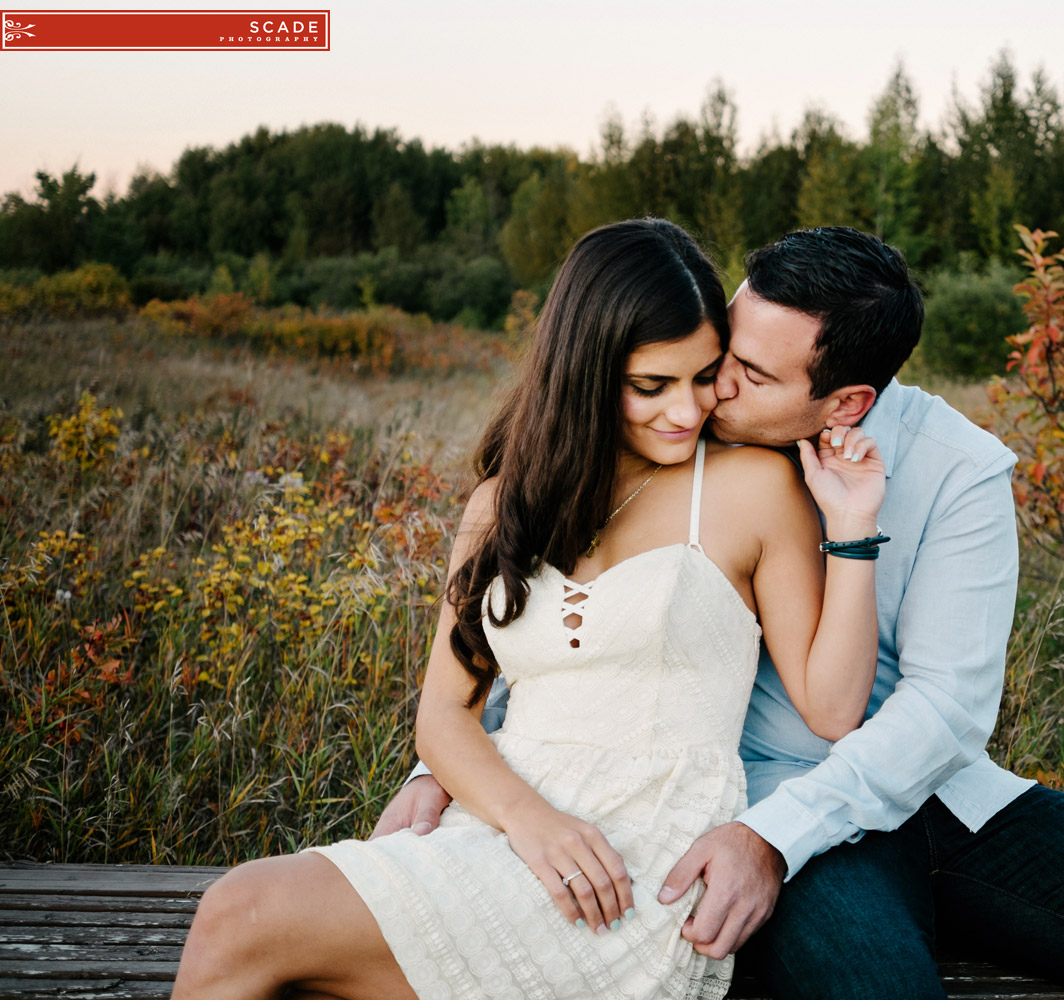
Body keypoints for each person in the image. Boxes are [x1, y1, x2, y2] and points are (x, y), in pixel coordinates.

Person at [381, 226, 1064, 999]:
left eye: (742, 373)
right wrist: (466, 771)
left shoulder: (956, 472)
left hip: (909, 799)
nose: (710, 388)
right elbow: (581, 622)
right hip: (739, 793)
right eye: (717, 350)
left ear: (847, 400)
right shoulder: (670, 439)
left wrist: (775, 839)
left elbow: (946, 709)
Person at [170, 218, 893, 1000]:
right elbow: (446, 714)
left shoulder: (753, 487)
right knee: (271, 958)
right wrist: (528, 820)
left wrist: (853, 531)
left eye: (703, 376)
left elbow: (832, 708)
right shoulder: (502, 506)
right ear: (584, 371)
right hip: (505, 823)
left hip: (636, 857)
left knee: (237, 914)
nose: (686, 411)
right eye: (650, 386)